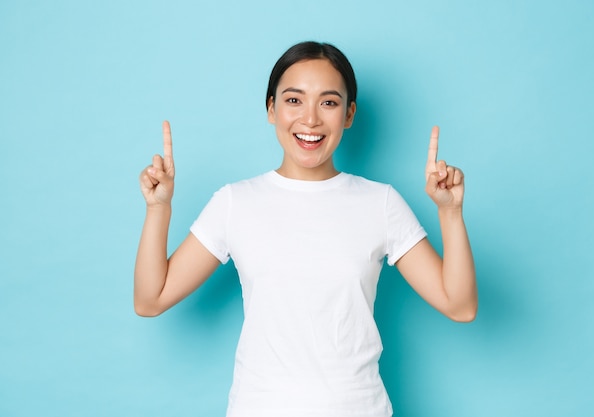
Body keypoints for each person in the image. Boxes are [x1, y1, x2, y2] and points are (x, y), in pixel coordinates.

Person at [134, 41, 477, 417]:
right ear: (271, 109)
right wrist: (158, 209)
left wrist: (451, 213)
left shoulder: (380, 203)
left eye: (328, 103)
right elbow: (151, 299)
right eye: (294, 100)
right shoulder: (236, 202)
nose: (310, 119)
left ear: (349, 114)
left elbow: (459, 306)